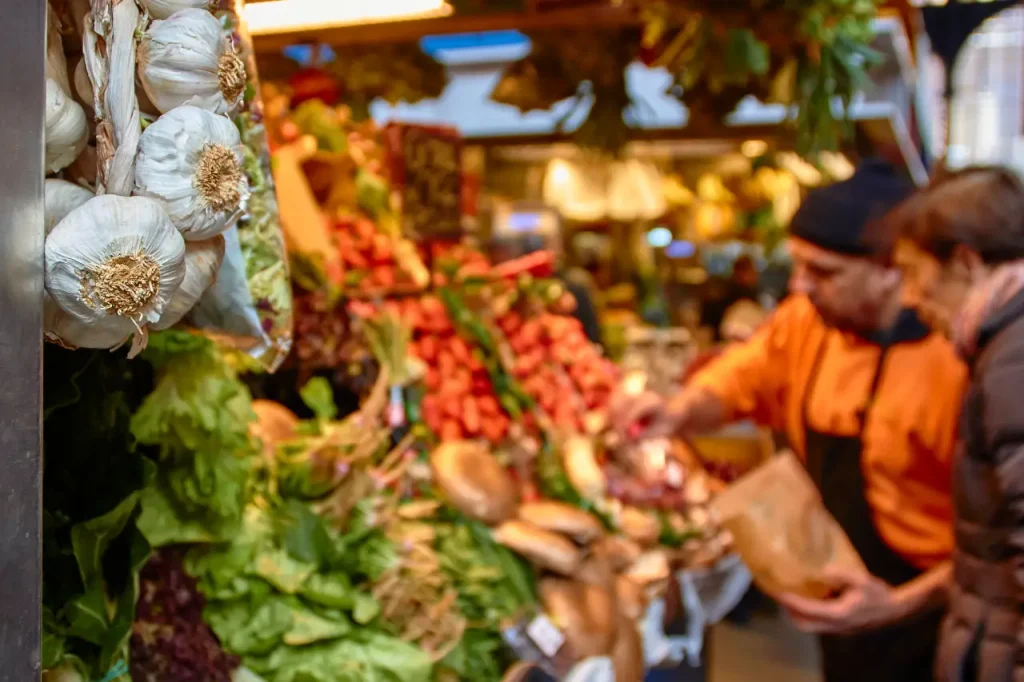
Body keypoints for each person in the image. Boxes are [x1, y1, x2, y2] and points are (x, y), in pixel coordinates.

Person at [614, 160, 966, 682]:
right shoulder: (809, 323)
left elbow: (1002, 543)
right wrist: (677, 411)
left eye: (823, 272)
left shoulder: (956, 360)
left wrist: (898, 603)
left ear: (892, 270)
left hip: (935, 608)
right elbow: (739, 379)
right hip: (838, 590)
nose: (800, 285)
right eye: (798, 265)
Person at [890, 166, 1024, 682]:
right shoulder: (1002, 347)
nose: (908, 298)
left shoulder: (1014, 361)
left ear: (966, 263)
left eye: (913, 273)